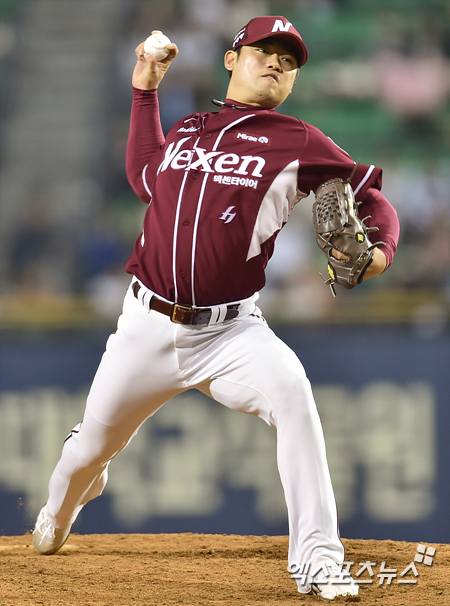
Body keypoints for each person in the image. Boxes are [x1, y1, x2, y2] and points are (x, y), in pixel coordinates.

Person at [33, 16, 399, 601]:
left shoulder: (299, 140)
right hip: (146, 326)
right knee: (86, 454)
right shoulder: (189, 130)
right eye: (264, 51)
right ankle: (60, 510)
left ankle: (319, 559)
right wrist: (145, 90)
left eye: (289, 60)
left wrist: (380, 250)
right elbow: (143, 176)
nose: (276, 63)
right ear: (232, 60)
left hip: (231, 333)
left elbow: (370, 194)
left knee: (294, 395)